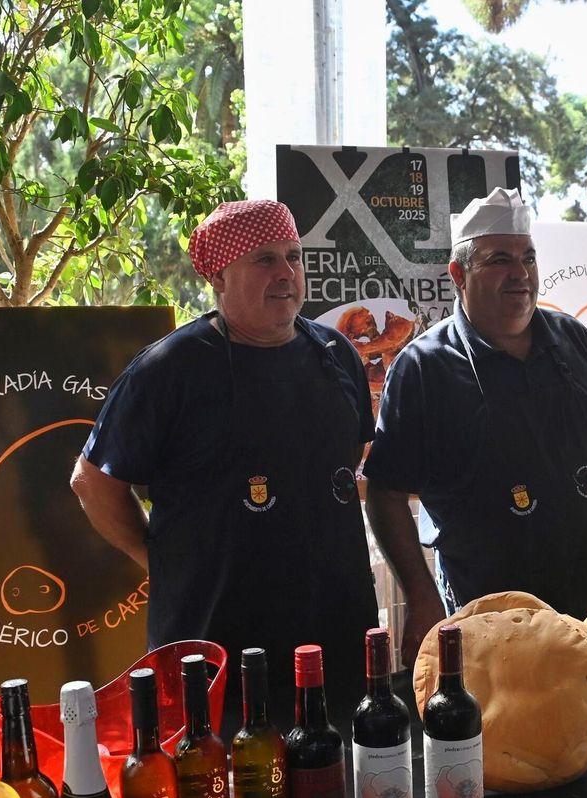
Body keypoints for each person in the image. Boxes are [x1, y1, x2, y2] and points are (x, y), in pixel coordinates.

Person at [69, 199, 377, 725]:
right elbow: (93, 481)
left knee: (336, 790)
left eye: (294, 257)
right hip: (217, 653)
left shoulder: (336, 353)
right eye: (263, 260)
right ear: (218, 276)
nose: (285, 274)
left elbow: (355, 458)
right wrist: (159, 561)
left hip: (335, 641)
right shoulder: (169, 369)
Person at [364, 188, 587, 660]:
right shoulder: (424, 367)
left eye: (528, 258)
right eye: (499, 260)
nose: (520, 273)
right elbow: (385, 493)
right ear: (458, 274)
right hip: (487, 610)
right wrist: (421, 594)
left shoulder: (572, 339)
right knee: (503, 729)